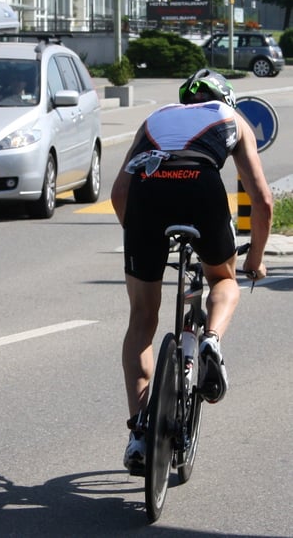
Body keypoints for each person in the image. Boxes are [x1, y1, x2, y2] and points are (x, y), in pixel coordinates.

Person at [110, 68, 273, 477]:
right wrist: (254, 258)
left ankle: (138, 435)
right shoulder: (232, 119)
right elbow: (262, 199)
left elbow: (118, 194)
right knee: (223, 279)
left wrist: (143, 241)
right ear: (226, 98)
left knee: (142, 320)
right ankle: (211, 343)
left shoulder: (154, 119)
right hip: (199, 185)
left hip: (148, 192)